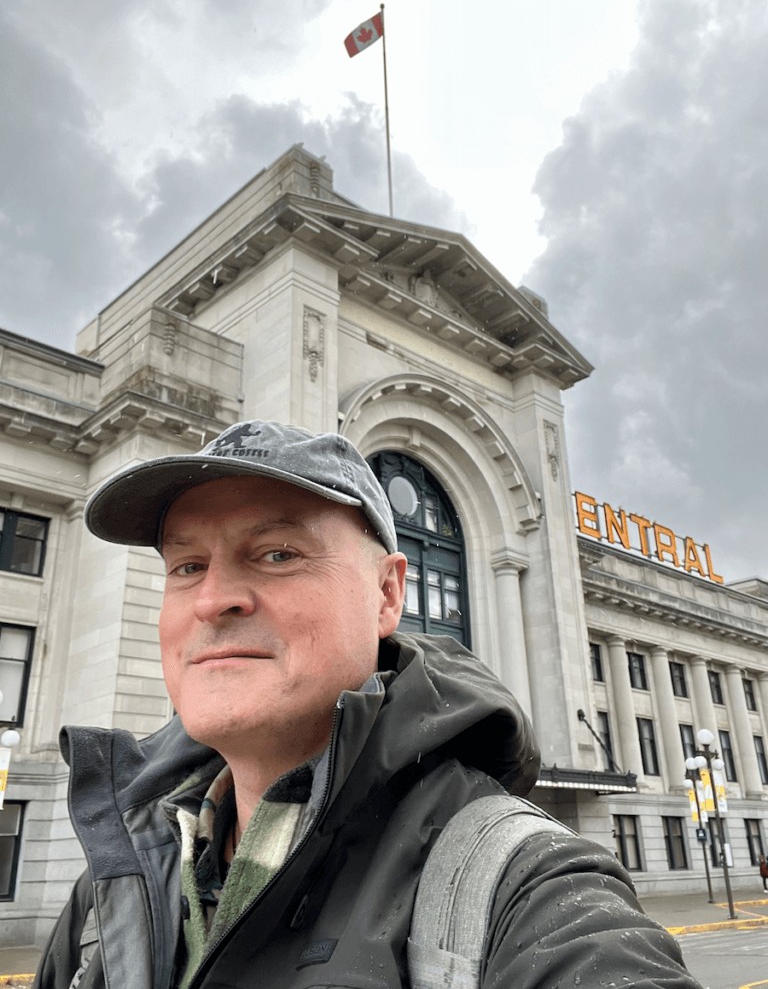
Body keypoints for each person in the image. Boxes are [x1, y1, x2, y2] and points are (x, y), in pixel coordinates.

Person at [34, 420, 702, 989]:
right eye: (186, 567)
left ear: (387, 596)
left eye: (275, 553)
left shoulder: (526, 887)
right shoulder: (115, 880)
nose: (212, 600)